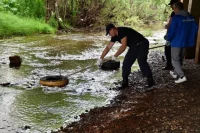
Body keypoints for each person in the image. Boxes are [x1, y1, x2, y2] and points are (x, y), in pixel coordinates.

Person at [96, 24, 155, 89]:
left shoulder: (122, 31)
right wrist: (101, 58)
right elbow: (108, 47)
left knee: (141, 61)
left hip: (143, 43)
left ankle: (151, 82)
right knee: (126, 63)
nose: (109, 35)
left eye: (109, 33)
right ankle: (125, 83)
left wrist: (115, 56)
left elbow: (123, 46)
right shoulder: (114, 36)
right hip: (133, 46)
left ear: (112, 29)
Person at [165, 2, 198, 83]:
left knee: (175, 59)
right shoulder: (191, 17)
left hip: (176, 42)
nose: (173, 10)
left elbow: (172, 31)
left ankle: (182, 76)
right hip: (186, 41)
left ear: (176, 8)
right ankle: (176, 73)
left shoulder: (176, 18)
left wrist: (167, 38)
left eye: (173, 8)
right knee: (180, 57)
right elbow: (196, 28)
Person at [162, 0, 180, 70]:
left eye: (171, 5)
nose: (171, 6)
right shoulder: (184, 13)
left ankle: (169, 64)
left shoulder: (174, 13)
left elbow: (170, 24)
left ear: (174, 4)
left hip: (172, 34)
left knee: (167, 49)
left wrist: (166, 26)